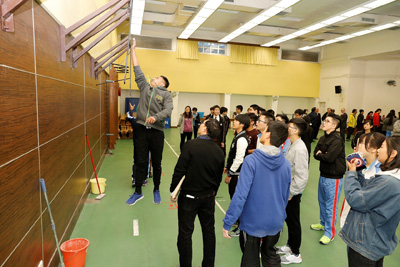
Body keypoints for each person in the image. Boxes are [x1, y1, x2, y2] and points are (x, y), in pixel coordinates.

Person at [222, 121, 291, 267]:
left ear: (269, 135)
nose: (260, 133)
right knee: (270, 255)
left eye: (264, 130)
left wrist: (229, 221)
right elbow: (285, 195)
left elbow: (240, 194)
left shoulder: (251, 161)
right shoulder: (285, 164)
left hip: (253, 222)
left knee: (250, 257)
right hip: (275, 221)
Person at [170, 119, 224, 267]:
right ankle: (208, 264)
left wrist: (173, 190)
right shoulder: (219, 151)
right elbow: (218, 177)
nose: (199, 126)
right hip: (208, 198)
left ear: (205, 129)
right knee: (209, 232)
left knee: (185, 234)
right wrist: (213, 192)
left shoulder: (190, 146)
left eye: (202, 124)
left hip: (188, 198)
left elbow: (180, 170)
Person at [339, 136, 400, 266]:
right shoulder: (391, 177)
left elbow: (355, 199)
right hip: (375, 240)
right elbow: (367, 188)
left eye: (382, 147)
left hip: (366, 244)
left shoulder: (389, 182)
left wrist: (351, 173)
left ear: (393, 153)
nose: (378, 151)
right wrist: (358, 171)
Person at [126, 39, 173, 206]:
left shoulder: (166, 94)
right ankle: (138, 191)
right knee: (140, 161)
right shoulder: (145, 87)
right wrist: (133, 49)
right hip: (140, 129)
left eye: (158, 78)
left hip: (156, 132)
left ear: (162, 84)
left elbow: (168, 110)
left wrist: (156, 117)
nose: (154, 78)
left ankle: (156, 189)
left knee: (157, 163)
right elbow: (137, 69)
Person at [277, 118, 309, 264]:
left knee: (294, 221)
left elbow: (302, 176)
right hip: (287, 190)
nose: (287, 128)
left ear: (297, 130)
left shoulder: (300, 148)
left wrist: (291, 193)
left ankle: (296, 254)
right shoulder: (293, 144)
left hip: (292, 193)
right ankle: (290, 245)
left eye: (290, 127)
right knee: (289, 220)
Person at [310, 114, 346, 245]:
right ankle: (323, 223)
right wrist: (321, 154)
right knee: (322, 202)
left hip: (334, 178)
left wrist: (322, 154)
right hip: (323, 174)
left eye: (327, 121)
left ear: (334, 125)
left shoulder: (337, 140)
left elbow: (329, 158)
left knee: (330, 206)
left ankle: (329, 233)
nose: (324, 123)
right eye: (324, 120)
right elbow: (315, 154)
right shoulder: (322, 138)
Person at [340, 132, 385, 229]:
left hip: (363, 225)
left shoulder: (379, 172)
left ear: (373, 149)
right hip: (351, 219)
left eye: (362, 143)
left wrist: (352, 173)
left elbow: (360, 199)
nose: (358, 146)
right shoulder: (361, 165)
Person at [224, 114, 250, 237]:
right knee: (233, 197)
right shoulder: (237, 136)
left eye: (236, 121)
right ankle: (238, 220)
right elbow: (232, 155)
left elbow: (239, 158)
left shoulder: (242, 139)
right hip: (234, 172)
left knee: (238, 200)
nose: (233, 122)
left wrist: (230, 172)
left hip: (237, 174)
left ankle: (242, 226)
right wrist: (227, 167)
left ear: (242, 125)